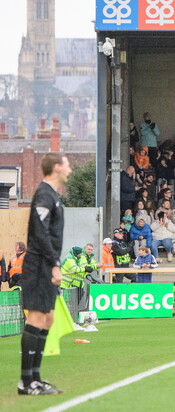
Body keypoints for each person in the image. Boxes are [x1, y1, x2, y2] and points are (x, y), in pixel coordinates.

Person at [18, 152, 71, 395]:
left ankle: (36, 378)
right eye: (67, 165)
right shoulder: (43, 193)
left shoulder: (52, 195)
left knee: (48, 318)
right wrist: (54, 264)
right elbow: (40, 234)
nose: (70, 169)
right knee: (37, 318)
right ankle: (26, 382)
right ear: (57, 168)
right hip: (39, 264)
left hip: (45, 263)